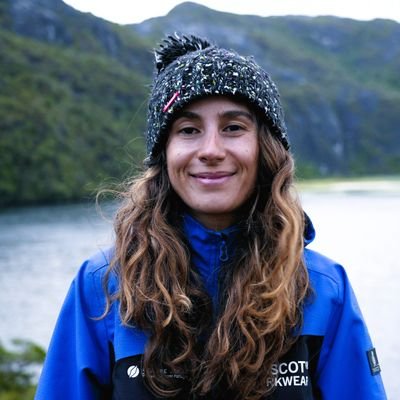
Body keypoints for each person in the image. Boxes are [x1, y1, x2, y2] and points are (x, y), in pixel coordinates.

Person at [35, 34, 386, 399]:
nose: (211, 150)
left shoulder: (323, 288)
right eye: (188, 130)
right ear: (164, 154)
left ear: (265, 149)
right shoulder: (103, 286)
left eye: (233, 128)